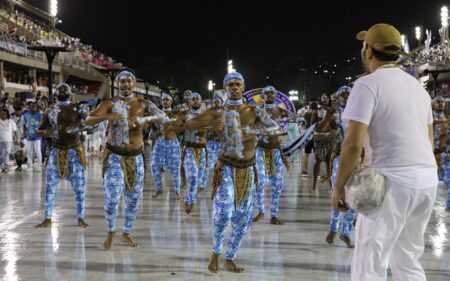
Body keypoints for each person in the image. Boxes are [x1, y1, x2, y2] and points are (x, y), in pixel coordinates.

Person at [331, 23, 438, 281]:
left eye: (363, 45)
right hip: (426, 181)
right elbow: (429, 139)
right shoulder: (418, 88)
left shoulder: (367, 85)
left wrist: (339, 187)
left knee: (370, 261)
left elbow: (353, 143)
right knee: (407, 259)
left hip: (392, 183)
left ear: (369, 51)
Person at [185, 72, 280, 273]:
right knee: (223, 212)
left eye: (238, 84)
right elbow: (189, 124)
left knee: (243, 218)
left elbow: (276, 128)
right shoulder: (218, 111)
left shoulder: (255, 110)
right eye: (231, 85)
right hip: (226, 166)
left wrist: (252, 132)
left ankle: (230, 257)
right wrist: (210, 123)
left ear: (243, 87)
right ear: (225, 88)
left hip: (248, 169)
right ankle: (216, 252)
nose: (234, 87)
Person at [85, 71, 166, 250]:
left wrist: (144, 119)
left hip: (136, 157)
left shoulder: (143, 104)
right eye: (122, 82)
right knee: (113, 197)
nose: (125, 85)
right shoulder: (109, 103)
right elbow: (88, 120)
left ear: (134, 83)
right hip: (114, 155)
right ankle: (111, 232)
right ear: (117, 84)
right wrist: (107, 116)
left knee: (133, 198)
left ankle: (126, 233)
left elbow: (163, 117)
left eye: (128, 81)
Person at [35, 83, 90, 228]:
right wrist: (45, 133)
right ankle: (47, 218)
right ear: (55, 94)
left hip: (75, 150)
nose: (62, 92)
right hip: (56, 150)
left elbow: (91, 123)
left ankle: (81, 217)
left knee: (79, 187)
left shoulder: (78, 108)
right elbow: (38, 129)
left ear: (70, 93)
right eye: (60, 91)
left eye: (65, 91)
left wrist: (77, 127)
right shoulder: (50, 111)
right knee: (50, 186)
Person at [252, 85, 293, 225]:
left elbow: (291, 127)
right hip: (261, 150)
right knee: (260, 181)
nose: (269, 95)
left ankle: (274, 214)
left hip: (275, 150)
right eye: (266, 93)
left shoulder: (282, 112)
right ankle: (261, 211)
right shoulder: (257, 111)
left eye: (272, 93)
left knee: (277, 184)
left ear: (276, 96)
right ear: (262, 96)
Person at [325, 85, 356, 248]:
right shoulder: (334, 115)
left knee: (355, 198)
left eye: (348, 94)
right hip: (340, 158)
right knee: (339, 193)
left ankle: (346, 233)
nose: (345, 97)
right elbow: (322, 130)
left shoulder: (358, 113)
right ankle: (333, 228)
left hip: (357, 160)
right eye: (342, 94)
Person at [170, 92, 207, 214]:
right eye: (193, 99)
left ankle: (188, 199)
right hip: (190, 149)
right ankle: (191, 202)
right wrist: (183, 126)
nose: (195, 101)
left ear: (201, 101)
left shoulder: (206, 115)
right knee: (193, 178)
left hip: (203, 151)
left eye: (198, 99)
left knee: (197, 181)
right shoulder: (185, 115)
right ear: (189, 102)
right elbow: (174, 128)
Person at [151, 93, 182, 200]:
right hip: (160, 142)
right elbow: (154, 128)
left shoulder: (176, 113)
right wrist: (155, 127)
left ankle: (177, 191)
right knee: (154, 165)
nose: (165, 101)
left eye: (167, 99)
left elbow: (181, 126)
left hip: (172, 143)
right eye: (163, 99)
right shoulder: (156, 113)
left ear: (171, 101)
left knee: (175, 169)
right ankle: (159, 188)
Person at [200, 91, 225, 192]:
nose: (216, 103)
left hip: (222, 144)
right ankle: (201, 185)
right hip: (211, 143)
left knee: (220, 166)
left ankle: (217, 185)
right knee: (208, 165)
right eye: (215, 101)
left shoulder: (225, 112)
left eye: (218, 100)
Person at [431, 96, 450, 212]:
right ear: (433, 104)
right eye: (438, 101)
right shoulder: (428, 120)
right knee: (430, 183)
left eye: (443, 101)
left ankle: (448, 207)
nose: (441, 103)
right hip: (431, 156)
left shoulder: (448, 120)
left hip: (445, 155)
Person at [22, 101, 42, 171]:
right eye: (30, 107)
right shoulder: (25, 115)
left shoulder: (39, 115)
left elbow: (42, 125)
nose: (32, 108)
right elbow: (24, 125)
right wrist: (24, 133)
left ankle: (39, 165)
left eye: (33, 107)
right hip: (29, 136)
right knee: (29, 151)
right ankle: (30, 166)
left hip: (37, 136)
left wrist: (40, 132)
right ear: (28, 107)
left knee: (38, 151)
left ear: (36, 108)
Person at [0, 107, 18, 173]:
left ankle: (6, 166)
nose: (3, 115)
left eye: (4, 114)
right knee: (1, 154)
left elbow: (15, 131)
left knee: (6, 153)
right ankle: (1, 166)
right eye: (1, 114)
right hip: (0, 140)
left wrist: (17, 139)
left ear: (7, 114)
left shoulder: (11, 121)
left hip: (8, 141)